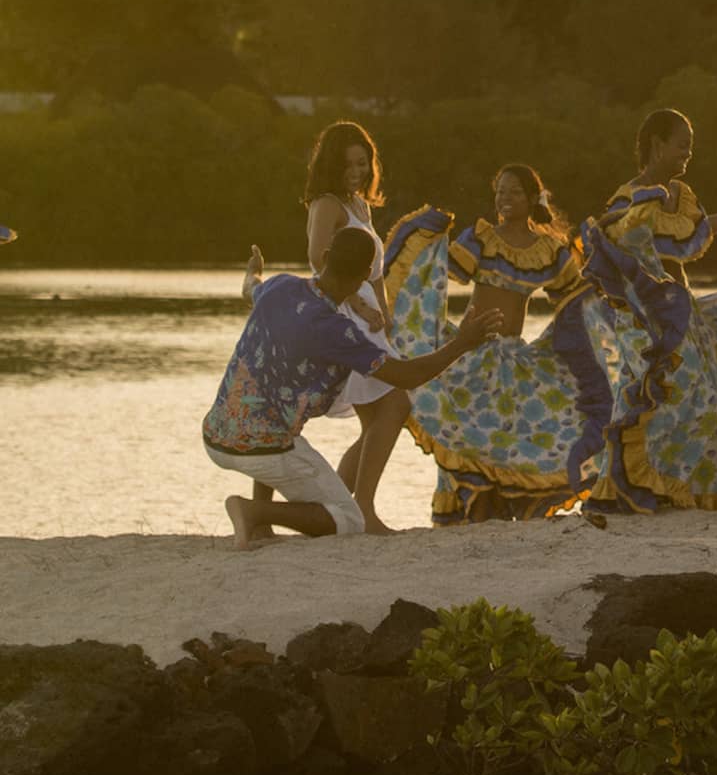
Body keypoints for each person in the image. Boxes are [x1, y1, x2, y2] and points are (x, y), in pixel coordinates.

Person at [203, 229, 502, 547]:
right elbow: (407, 377)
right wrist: (462, 343)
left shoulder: (281, 285)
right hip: (264, 447)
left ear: (327, 258)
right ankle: (252, 512)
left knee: (268, 408)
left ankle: (261, 525)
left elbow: (251, 288)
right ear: (363, 278)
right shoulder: (337, 332)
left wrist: (254, 270)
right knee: (349, 519)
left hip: (216, 434)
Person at [581, 109, 717, 511]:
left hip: (683, 314)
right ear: (657, 145)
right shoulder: (631, 199)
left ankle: (681, 489)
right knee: (668, 393)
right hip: (646, 321)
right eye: (682, 145)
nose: (687, 153)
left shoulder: (680, 195)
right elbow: (645, 243)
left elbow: (690, 241)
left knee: (713, 391)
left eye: (690, 147)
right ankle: (633, 486)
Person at [384, 163, 620, 522]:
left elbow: (576, 300)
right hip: (471, 353)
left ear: (530, 198)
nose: (505, 199)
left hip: (513, 356)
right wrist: (426, 246)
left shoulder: (548, 250)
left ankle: (501, 507)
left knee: (510, 438)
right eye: (500, 192)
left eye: (513, 192)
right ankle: (472, 509)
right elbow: (443, 274)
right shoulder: (482, 237)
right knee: (470, 436)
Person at [304, 120, 410, 533]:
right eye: (348, 164)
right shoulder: (327, 204)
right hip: (344, 316)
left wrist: (384, 316)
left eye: (362, 163)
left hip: (371, 321)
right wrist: (356, 307)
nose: (357, 171)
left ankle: (334, 510)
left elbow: (377, 272)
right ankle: (361, 508)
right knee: (395, 405)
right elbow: (318, 261)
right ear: (332, 165)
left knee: (379, 418)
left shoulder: (361, 205)